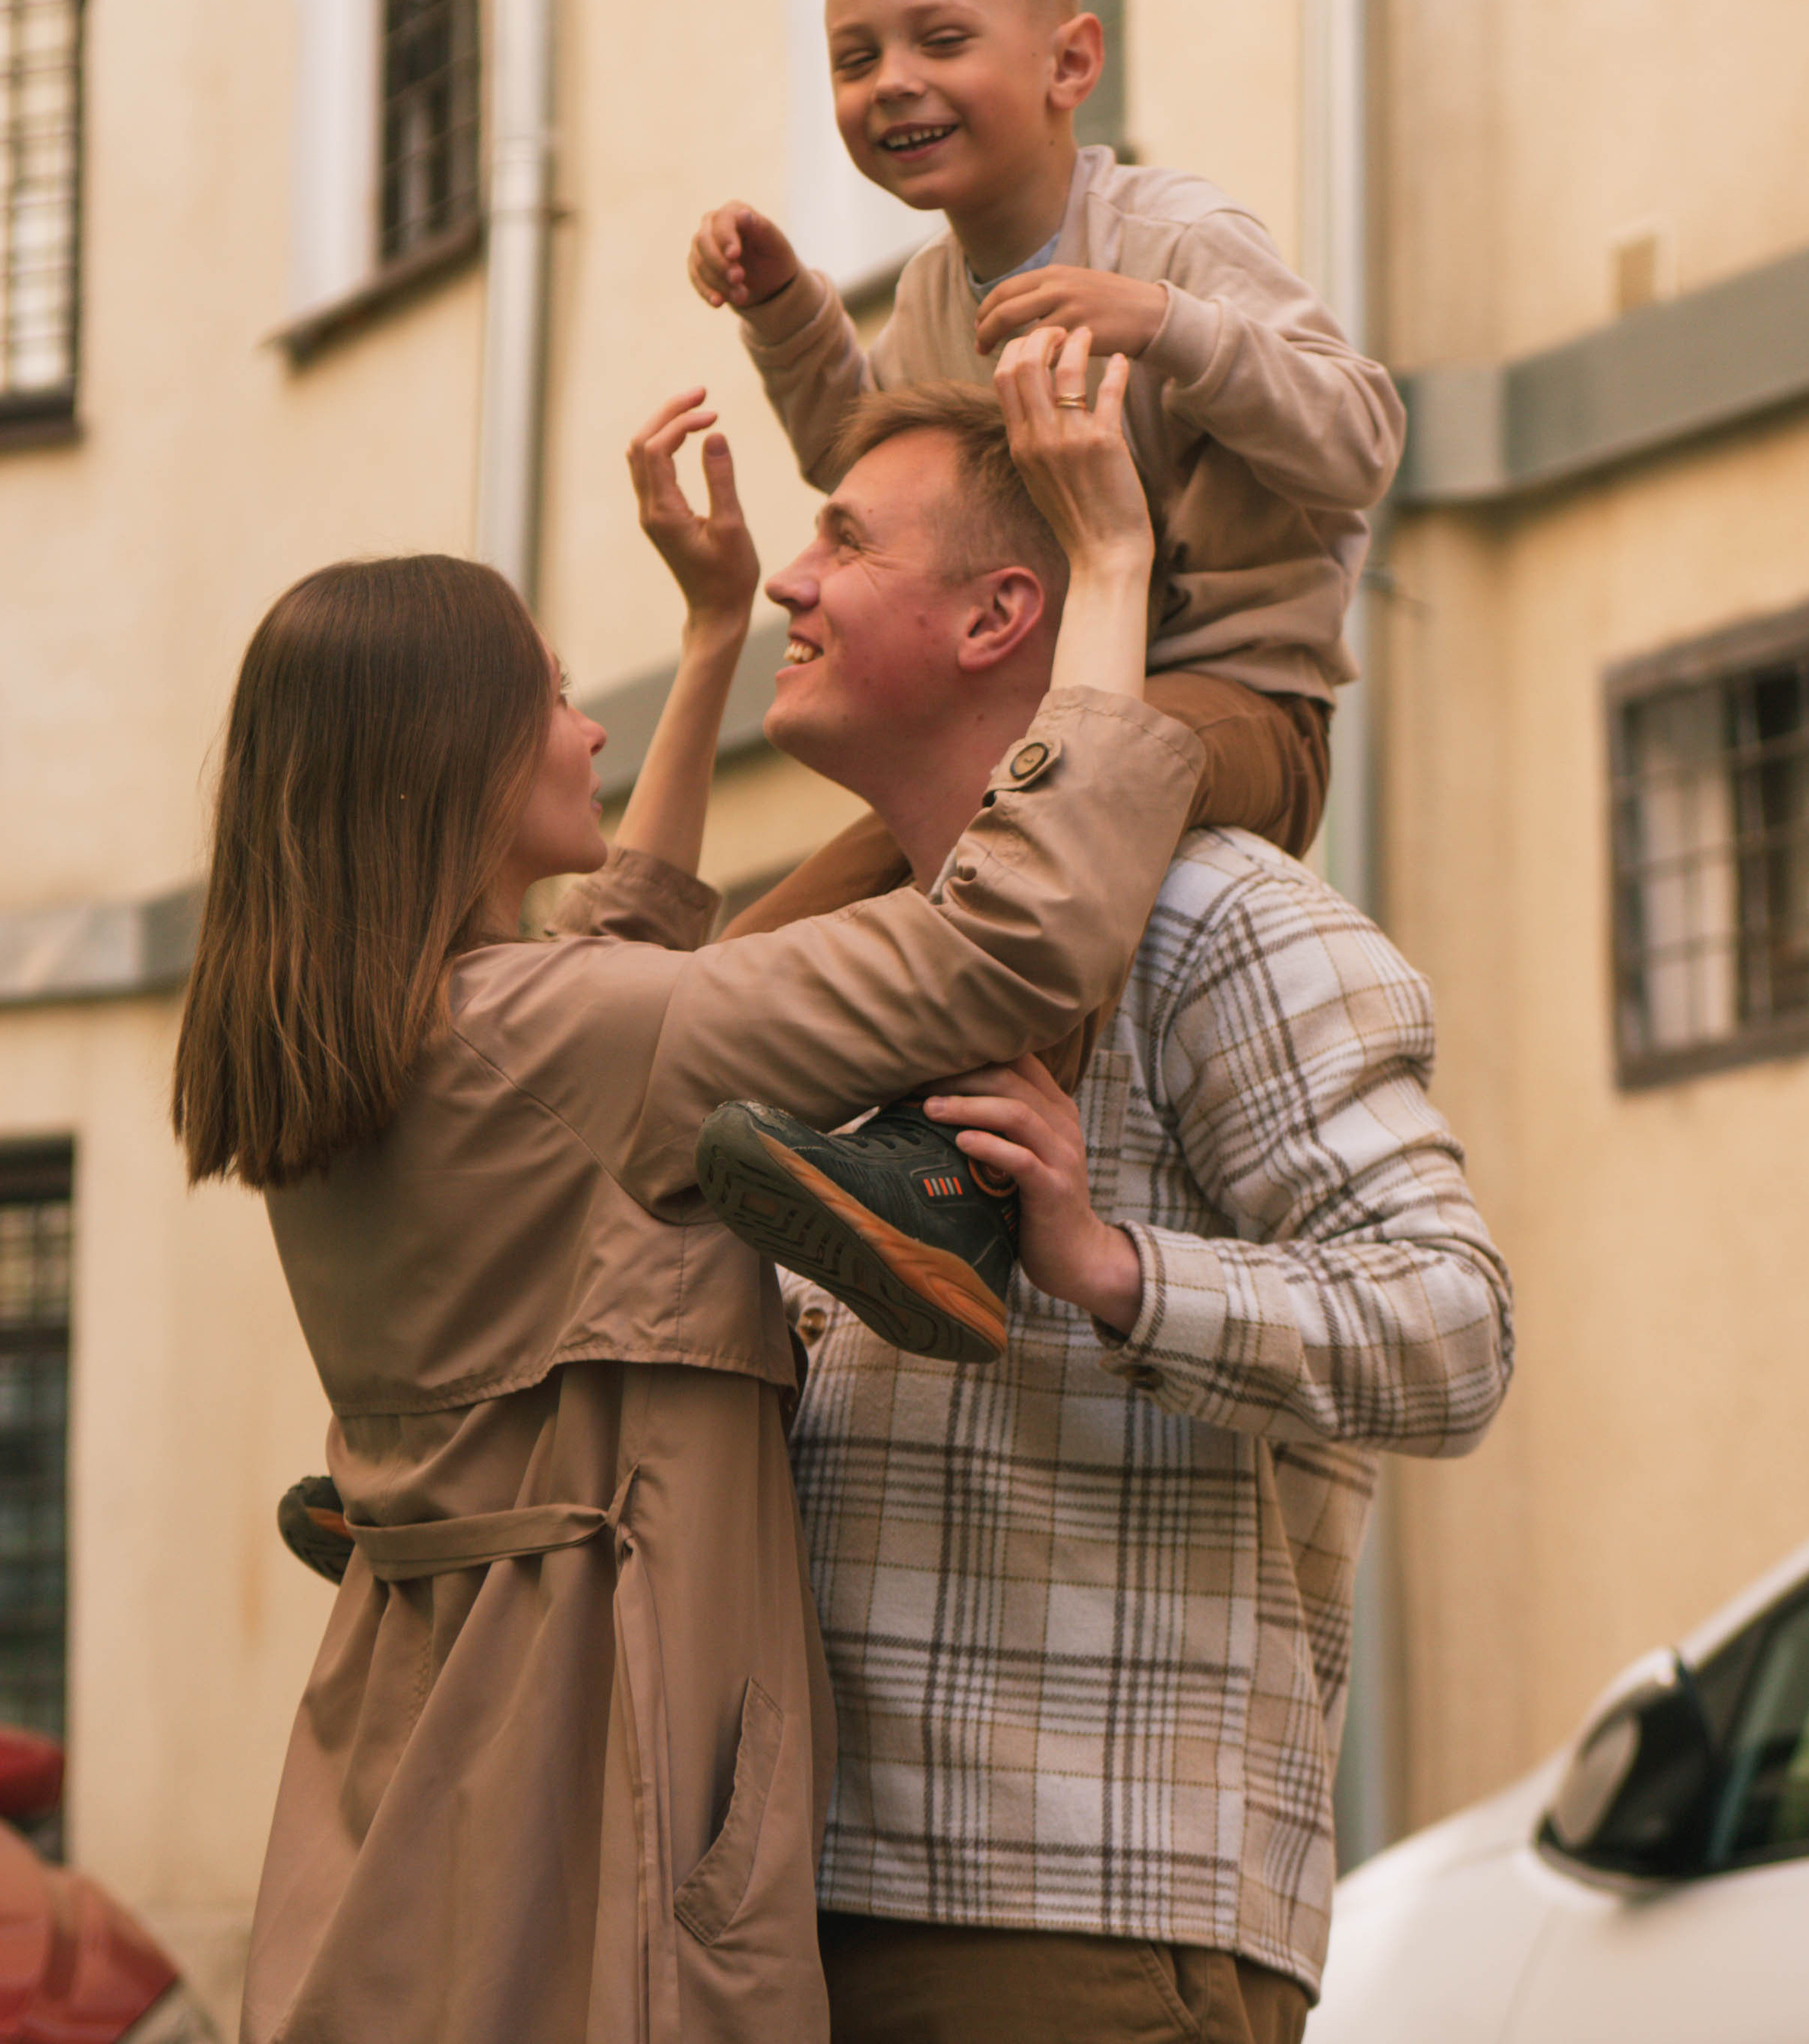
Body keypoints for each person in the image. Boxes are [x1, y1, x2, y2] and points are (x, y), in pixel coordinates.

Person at [175, 333, 1202, 2044]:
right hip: (587, 1755)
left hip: (421, 1750)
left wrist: (714, 630)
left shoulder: (374, 1046)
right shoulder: (558, 1043)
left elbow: (621, 949)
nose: (589, 730)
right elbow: (1015, 941)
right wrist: (1109, 564)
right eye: (556, 700)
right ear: (457, 764)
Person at [690, 384, 1514, 2044]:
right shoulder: (852, 977)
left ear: (1002, 614)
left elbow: (1453, 1328)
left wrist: (1107, 1264)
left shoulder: (1223, 920)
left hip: (1079, 1919)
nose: (791, 578)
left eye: (844, 539)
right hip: (798, 1908)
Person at [687, 0, 1407, 1352]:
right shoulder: (941, 297)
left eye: (938, 42)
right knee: (742, 962)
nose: (892, 85)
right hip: (1045, 737)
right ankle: (592, 1240)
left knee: (1081, 817)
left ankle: (951, 1184)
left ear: (1069, 62)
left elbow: (1356, 439)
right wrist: (787, 314)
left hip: (1232, 705)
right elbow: (878, 465)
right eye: (853, 57)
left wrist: (1170, 332)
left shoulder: (1172, 238)